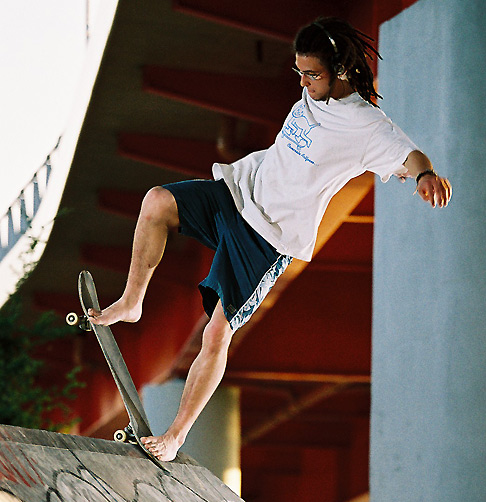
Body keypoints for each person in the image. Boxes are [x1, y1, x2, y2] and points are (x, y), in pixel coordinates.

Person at [89, 17, 452, 461]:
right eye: (298, 72)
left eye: (312, 74)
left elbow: (408, 153)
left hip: (267, 238)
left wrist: (425, 175)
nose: (303, 82)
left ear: (339, 72)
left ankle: (177, 435)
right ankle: (132, 301)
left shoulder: (368, 127)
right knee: (157, 202)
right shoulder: (310, 90)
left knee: (217, 333)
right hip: (238, 193)